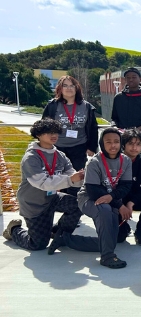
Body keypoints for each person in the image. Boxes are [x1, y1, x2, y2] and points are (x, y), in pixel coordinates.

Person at [4, 119, 96, 255]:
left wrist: (81, 177)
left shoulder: (59, 155)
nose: (54, 135)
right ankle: (14, 230)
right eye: (48, 132)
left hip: (52, 197)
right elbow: (42, 183)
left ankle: (58, 234)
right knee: (38, 244)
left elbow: (71, 176)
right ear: (38, 135)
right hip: (33, 203)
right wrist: (71, 179)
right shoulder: (31, 157)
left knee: (78, 204)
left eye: (56, 132)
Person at [76, 127, 133, 268]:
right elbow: (93, 190)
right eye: (108, 142)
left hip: (111, 199)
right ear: (102, 143)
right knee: (104, 211)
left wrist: (114, 200)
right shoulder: (94, 162)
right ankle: (107, 257)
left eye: (116, 142)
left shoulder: (125, 160)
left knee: (112, 240)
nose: (113, 145)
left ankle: (66, 239)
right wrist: (119, 205)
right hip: (89, 199)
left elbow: (125, 186)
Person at [42, 75, 98, 171]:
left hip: (79, 148)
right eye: (65, 85)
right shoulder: (52, 106)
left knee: (76, 178)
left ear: (76, 88)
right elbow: (44, 127)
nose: (69, 88)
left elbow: (93, 128)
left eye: (72, 85)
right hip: (57, 147)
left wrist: (92, 147)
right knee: (57, 177)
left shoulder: (86, 106)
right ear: (60, 88)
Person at [111, 67, 141, 168]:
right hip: (123, 145)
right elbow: (114, 118)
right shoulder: (119, 98)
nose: (131, 79)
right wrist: (115, 128)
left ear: (140, 79)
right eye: (128, 77)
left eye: (134, 77)